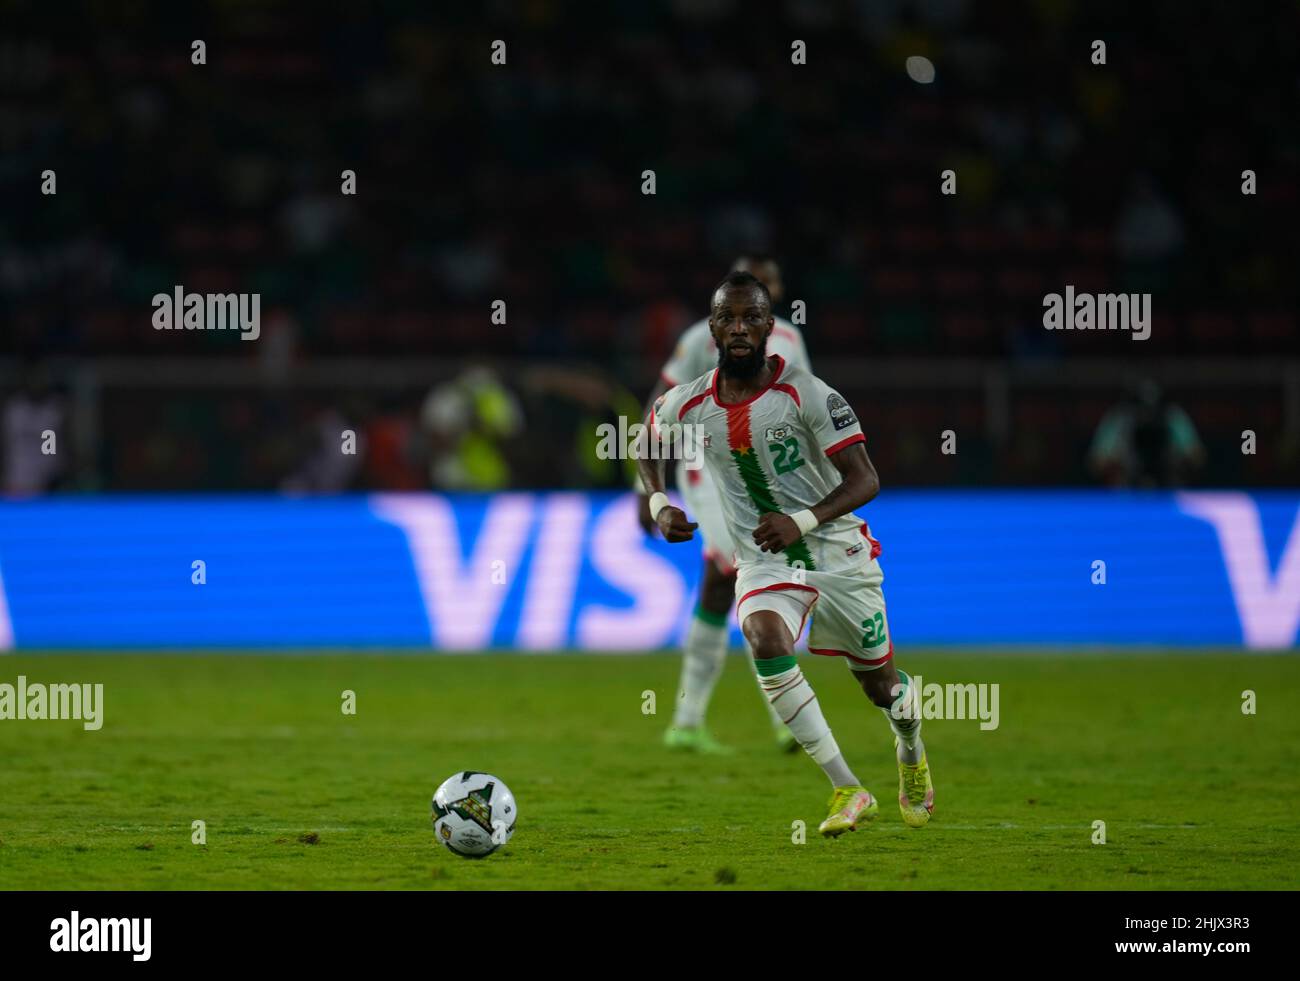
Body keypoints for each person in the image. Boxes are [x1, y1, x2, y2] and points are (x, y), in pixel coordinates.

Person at [635, 271, 934, 835]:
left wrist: (800, 520)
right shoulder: (690, 401)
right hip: (765, 560)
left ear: (771, 326)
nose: (740, 328)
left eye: (752, 317)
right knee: (764, 636)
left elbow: (865, 479)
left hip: (837, 551)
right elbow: (645, 441)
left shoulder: (809, 394)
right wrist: (658, 504)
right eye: (728, 317)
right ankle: (847, 788)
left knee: (881, 689)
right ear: (713, 327)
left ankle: (911, 749)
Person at [637, 256, 810, 754]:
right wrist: (647, 490)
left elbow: (807, 410)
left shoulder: (792, 341)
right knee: (748, 571)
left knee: (721, 588)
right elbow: (660, 406)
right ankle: (787, 718)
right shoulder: (700, 340)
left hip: (764, 478)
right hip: (707, 473)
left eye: (768, 283)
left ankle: (686, 723)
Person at [1089, 379, 1205, 488]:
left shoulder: (1173, 417)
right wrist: (1118, 467)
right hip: (1126, 490)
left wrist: (1176, 465)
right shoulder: (1120, 418)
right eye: (1141, 409)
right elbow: (1097, 462)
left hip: (1168, 487)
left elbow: (1196, 457)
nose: (1147, 415)